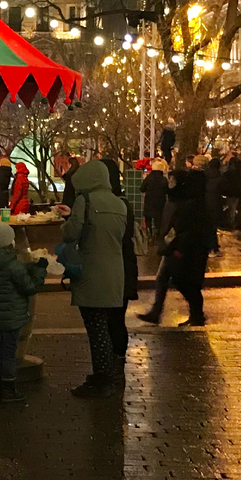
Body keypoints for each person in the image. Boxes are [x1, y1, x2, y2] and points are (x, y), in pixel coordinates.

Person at [55, 159, 127, 397]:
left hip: (91, 272)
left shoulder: (84, 200)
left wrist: (67, 219)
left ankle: (103, 379)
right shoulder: (119, 203)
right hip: (115, 272)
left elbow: (71, 233)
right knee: (105, 326)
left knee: (96, 329)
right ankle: (107, 375)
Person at [0, 216, 46, 403]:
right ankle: (8, 388)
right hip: (12, 315)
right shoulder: (12, 265)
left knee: (2, 350)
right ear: (7, 243)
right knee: (9, 352)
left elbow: (15, 270)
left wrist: (29, 267)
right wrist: (40, 269)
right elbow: (30, 287)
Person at [138, 169, 213, 326]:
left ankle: (195, 314)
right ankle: (162, 311)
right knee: (168, 278)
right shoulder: (193, 200)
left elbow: (187, 229)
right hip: (182, 247)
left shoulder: (191, 203)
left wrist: (176, 246)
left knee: (183, 281)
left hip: (184, 249)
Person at [101, 158, 139, 376]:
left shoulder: (115, 204)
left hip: (118, 266)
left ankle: (114, 362)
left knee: (112, 319)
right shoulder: (123, 202)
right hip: (125, 265)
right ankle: (116, 361)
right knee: (116, 318)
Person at [141, 159, 169, 235]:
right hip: (160, 203)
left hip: (149, 202)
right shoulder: (164, 179)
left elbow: (142, 188)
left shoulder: (148, 178)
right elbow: (167, 191)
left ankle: (149, 234)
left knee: (148, 220)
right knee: (158, 221)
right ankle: (157, 235)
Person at [221, 152, 241, 231]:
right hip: (239, 192)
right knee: (239, 208)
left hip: (231, 192)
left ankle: (231, 223)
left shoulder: (228, 172)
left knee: (231, 208)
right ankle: (239, 223)